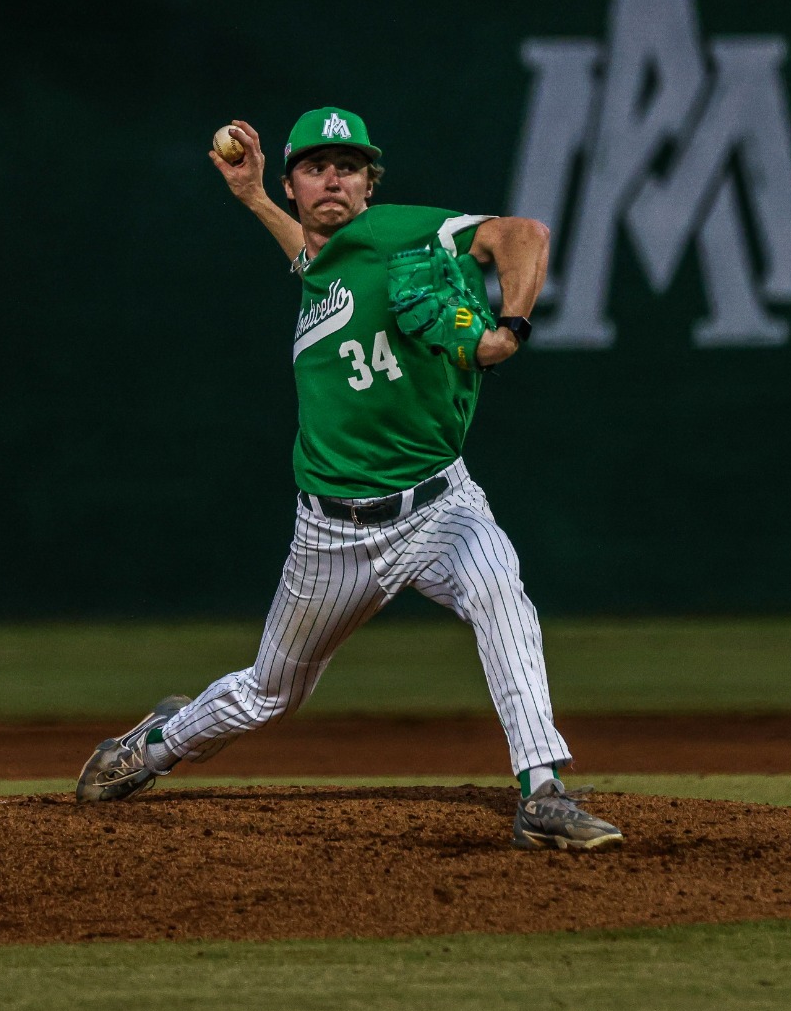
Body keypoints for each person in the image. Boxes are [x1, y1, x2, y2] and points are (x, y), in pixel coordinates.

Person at [75, 106, 622, 850]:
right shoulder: (321, 261)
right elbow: (311, 258)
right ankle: (163, 741)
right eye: (315, 166)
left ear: (370, 186)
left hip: (440, 505)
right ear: (296, 185)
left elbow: (525, 234)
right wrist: (254, 198)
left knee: (501, 591)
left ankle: (543, 789)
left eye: (350, 166)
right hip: (330, 532)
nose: (333, 177)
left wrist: (508, 329)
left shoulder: (403, 232)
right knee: (270, 692)